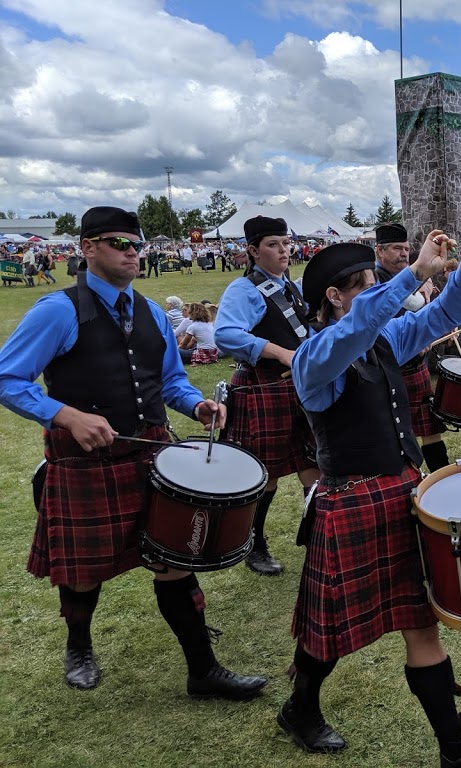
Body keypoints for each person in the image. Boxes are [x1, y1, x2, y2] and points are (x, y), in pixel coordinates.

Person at [0, 206, 267, 698]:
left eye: (137, 244)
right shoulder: (57, 310)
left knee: (175, 557)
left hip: (151, 453)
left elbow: (169, 380)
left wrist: (197, 406)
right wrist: (66, 415)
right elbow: (8, 378)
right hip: (85, 463)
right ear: (87, 248)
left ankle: (203, 670)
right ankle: (78, 644)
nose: (131, 252)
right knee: (85, 569)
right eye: (118, 242)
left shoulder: (148, 311)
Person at [281, 230, 461, 767]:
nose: (379, 291)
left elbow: (438, 319)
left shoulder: (384, 339)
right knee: (327, 633)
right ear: (334, 295)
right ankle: (301, 709)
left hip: (401, 494)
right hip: (350, 504)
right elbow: (356, 329)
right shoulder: (313, 357)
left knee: (420, 623)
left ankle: (454, 751)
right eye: (366, 284)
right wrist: (413, 273)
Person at [215, 216, 320, 575]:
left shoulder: (290, 285)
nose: (284, 250)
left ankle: (320, 540)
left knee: (314, 465)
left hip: (299, 388)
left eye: (286, 243)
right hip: (261, 389)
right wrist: (280, 352)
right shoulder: (243, 290)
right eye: (274, 244)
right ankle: (254, 544)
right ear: (252, 250)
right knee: (267, 475)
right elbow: (226, 334)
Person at [374, 222, 452, 473]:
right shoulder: (371, 281)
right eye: (397, 248)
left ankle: (443, 480)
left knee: (430, 432)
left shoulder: (409, 277)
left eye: (406, 248)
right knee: (397, 434)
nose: (404, 253)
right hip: (388, 371)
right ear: (379, 251)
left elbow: (420, 314)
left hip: (416, 368)